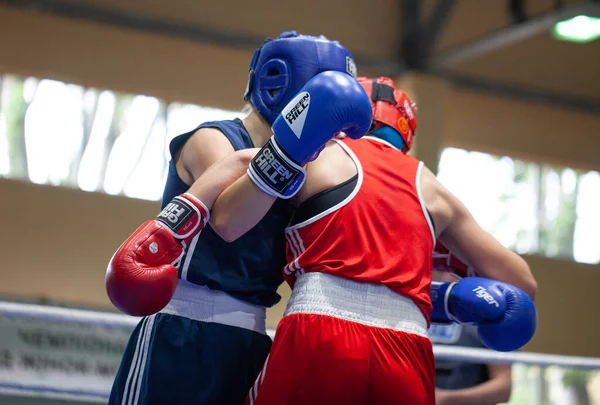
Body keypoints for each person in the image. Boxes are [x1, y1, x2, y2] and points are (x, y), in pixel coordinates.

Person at [210, 77, 538, 404]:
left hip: (322, 331)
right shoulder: (431, 186)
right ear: (406, 130)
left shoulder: (318, 155)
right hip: (407, 347)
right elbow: (522, 283)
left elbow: (225, 222)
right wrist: (444, 291)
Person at [104, 31, 372, 405]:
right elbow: (229, 221)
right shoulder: (213, 139)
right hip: (183, 331)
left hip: (253, 340)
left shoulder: (312, 169)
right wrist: (293, 146)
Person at [430, 270, 513, 405]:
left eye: (455, 271)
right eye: (442, 269)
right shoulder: (419, 313)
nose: (446, 277)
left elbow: (503, 387)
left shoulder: (490, 320)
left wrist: (446, 398)